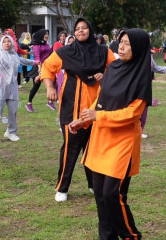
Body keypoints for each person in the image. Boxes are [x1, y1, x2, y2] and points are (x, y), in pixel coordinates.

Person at [69, 28, 152, 240]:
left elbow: (133, 114)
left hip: (122, 142)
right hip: (100, 139)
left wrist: (99, 116)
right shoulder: (113, 67)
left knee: (112, 195)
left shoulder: (142, 75)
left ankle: (131, 235)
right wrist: (84, 120)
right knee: (100, 196)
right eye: (120, 42)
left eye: (127, 44)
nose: (121, 47)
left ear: (139, 48)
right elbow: (101, 99)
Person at [41, 18, 115, 202]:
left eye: (84, 28)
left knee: (94, 148)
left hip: (97, 108)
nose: (81, 31)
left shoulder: (103, 52)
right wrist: (50, 88)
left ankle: (93, 184)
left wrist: (105, 75)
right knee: (71, 148)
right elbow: (47, 67)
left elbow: (118, 69)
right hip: (72, 107)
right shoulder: (66, 52)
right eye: (77, 29)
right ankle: (62, 188)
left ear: (90, 30)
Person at [0, 35, 36, 143]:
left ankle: (11, 132)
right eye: (5, 42)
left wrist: (35, 62)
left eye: (9, 41)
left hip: (12, 86)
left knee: (13, 111)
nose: (7, 43)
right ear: (1, 44)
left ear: (12, 43)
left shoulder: (14, 56)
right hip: (0, 87)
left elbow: (23, 61)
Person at [25, 29, 55, 113]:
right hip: (38, 67)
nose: (47, 36)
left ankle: (50, 102)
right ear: (41, 35)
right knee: (36, 86)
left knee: (50, 83)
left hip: (46, 67)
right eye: (45, 34)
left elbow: (49, 55)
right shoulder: (36, 45)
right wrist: (40, 69)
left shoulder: (46, 44)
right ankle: (29, 103)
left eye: (48, 34)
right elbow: (37, 57)